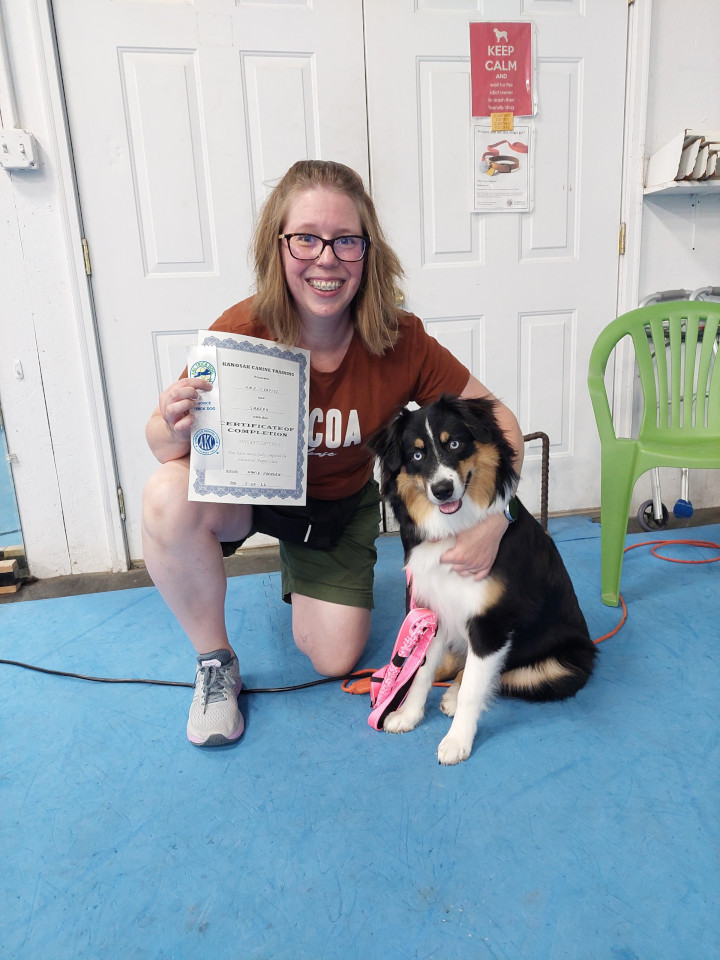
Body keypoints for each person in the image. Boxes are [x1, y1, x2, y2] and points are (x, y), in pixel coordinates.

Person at [142, 159, 524, 748]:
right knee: (166, 493)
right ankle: (215, 662)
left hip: (334, 509)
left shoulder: (400, 338)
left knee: (333, 658)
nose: (327, 258)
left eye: (346, 240)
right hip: (248, 496)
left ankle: (304, 566)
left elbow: (501, 421)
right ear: (279, 245)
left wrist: (496, 522)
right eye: (306, 239)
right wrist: (171, 420)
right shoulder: (243, 328)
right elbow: (162, 443)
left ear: (367, 251)